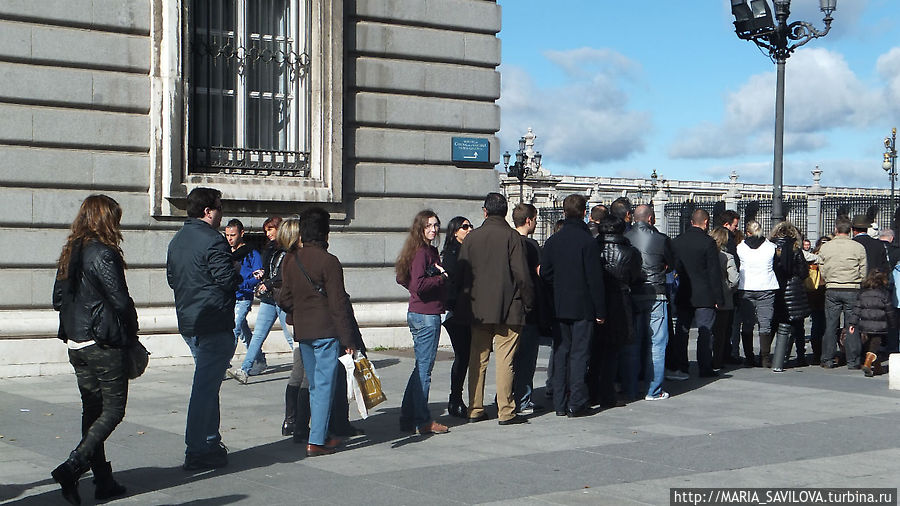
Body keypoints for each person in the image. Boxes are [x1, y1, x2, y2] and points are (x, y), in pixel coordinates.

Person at [51, 195, 136, 504]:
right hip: (103, 343)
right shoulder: (103, 253)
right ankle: (73, 465)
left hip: (76, 342)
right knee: (113, 410)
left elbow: (57, 300)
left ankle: (103, 480)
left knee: (93, 409)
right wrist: (130, 332)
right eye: (115, 217)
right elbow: (121, 301)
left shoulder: (69, 251)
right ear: (105, 220)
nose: (118, 224)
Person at [166, 187, 240, 470]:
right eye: (219, 208)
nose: (222, 214)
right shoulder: (214, 241)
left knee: (208, 384)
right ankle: (197, 447)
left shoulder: (177, 240)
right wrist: (234, 269)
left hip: (189, 320)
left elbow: (173, 279)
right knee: (204, 388)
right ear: (208, 211)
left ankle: (210, 440)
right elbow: (226, 281)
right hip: (213, 322)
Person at [278, 207, 358, 456]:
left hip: (303, 331)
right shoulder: (329, 261)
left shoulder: (293, 260)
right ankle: (317, 440)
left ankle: (319, 433)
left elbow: (284, 299)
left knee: (314, 384)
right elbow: (338, 303)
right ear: (325, 232)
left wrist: (299, 313)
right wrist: (348, 338)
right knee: (323, 386)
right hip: (326, 330)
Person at [457, 192, 535, 425]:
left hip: (478, 309)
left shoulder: (472, 238)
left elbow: (461, 274)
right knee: (505, 360)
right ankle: (506, 410)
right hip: (509, 308)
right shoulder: (512, 237)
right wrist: (529, 302)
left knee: (477, 360)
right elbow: (521, 274)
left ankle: (475, 408)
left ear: (485, 212)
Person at [541, 194, 605, 417]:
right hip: (583, 306)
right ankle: (576, 402)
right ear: (584, 212)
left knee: (561, 352)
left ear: (564, 211)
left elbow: (545, 273)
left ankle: (559, 403)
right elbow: (595, 279)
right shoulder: (587, 242)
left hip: (559, 305)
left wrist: (558, 287)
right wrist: (600, 309)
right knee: (579, 354)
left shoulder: (553, 241)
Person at [395, 210, 450, 435]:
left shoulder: (425, 250)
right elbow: (418, 284)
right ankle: (422, 420)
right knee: (425, 370)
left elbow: (402, 278)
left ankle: (408, 417)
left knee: (421, 367)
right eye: (428, 226)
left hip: (421, 312)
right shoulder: (422, 253)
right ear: (420, 228)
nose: (433, 229)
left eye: (436, 225)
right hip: (426, 316)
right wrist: (441, 278)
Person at [229, 216, 294, 386]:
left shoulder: (289, 250)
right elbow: (267, 271)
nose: (268, 233)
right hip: (268, 298)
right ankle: (244, 369)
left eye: (270, 229)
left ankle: (305, 365)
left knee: (290, 335)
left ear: (280, 229)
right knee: (258, 335)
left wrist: (268, 282)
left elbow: (284, 275)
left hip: (281, 296)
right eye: (266, 230)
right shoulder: (270, 248)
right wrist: (261, 276)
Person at [625, 204, 675, 401]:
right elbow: (671, 265)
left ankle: (630, 388)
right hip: (656, 293)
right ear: (651, 219)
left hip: (633, 293)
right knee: (657, 344)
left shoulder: (626, 239)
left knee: (633, 342)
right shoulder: (661, 239)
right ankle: (654, 389)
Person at [593, 214, 641, 404]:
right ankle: (608, 391)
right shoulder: (630, 252)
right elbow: (636, 277)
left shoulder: (593, 248)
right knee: (613, 350)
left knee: (595, 349)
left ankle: (593, 389)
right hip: (620, 300)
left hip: (596, 300)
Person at [670, 209, 724, 377]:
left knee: (682, 331)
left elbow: (674, 268)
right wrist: (718, 297)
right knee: (705, 331)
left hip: (684, 292)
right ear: (706, 222)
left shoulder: (677, 241)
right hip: (705, 294)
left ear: (691, 222)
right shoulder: (708, 243)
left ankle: (681, 365)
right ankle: (705, 367)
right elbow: (714, 273)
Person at [818, 217, 867, 369]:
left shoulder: (826, 247)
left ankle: (827, 358)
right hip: (852, 288)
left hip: (832, 288)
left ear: (836, 230)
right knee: (851, 326)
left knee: (831, 325)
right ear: (851, 231)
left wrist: (829, 279)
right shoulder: (858, 247)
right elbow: (864, 271)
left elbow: (822, 268)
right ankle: (852, 360)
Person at [511, 203, 544, 414]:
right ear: (529, 220)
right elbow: (540, 274)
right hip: (528, 309)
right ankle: (522, 399)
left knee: (510, 358)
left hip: (508, 306)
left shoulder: (508, 242)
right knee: (527, 357)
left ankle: (505, 395)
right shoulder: (531, 246)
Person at [440, 216, 473, 418]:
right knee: (462, 356)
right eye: (464, 227)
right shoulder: (453, 253)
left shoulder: (465, 250)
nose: (468, 230)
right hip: (457, 312)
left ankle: (458, 398)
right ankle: (455, 399)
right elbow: (453, 282)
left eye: (470, 226)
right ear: (455, 231)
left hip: (465, 310)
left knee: (466, 356)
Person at [736, 220, 779, 368]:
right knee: (765, 323)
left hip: (746, 286)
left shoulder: (740, 247)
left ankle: (749, 357)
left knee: (747, 323)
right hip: (766, 286)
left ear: (747, 232)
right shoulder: (771, 247)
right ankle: (765, 358)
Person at [769, 221, 811, 371]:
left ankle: (768, 355)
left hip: (776, 289)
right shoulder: (795, 249)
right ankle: (800, 356)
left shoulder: (771, 247)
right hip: (795, 291)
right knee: (798, 326)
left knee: (774, 324)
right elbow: (804, 272)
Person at [224, 219, 263, 382]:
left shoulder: (251, 253)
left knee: (234, 329)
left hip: (244, 296)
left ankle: (223, 364)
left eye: (232, 235)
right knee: (243, 330)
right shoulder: (225, 251)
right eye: (227, 235)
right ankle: (260, 359)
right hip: (229, 296)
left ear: (242, 233)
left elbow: (258, 274)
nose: (229, 239)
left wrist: (244, 283)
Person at [848, 269, 897, 377]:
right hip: (880, 325)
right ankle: (868, 363)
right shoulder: (884, 293)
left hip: (865, 325)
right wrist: (893, 324)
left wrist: (852, 324)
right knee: (875, 344)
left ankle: (877, 368)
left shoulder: (863, 292)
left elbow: (857, 309)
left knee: (869, 345)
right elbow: (889, 311)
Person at [709, 227, 739, 371]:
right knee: (721, 334)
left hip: (707, 297)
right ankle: (717, 361)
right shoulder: (726, 257)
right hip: (724, 298)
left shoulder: (707, 255)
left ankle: (706, 359)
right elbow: (734, 279)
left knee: (709, 331)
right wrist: (729, 289)